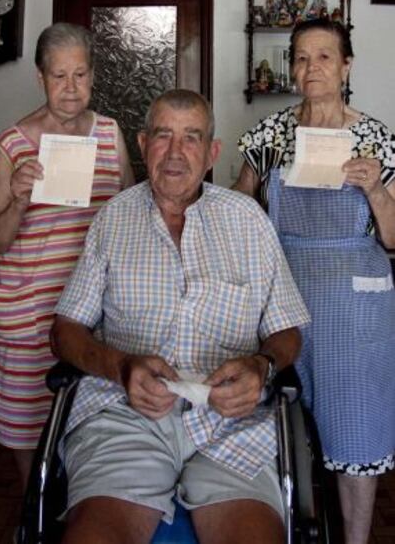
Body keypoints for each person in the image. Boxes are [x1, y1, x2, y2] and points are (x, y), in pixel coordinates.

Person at [51, 89, 309, 544]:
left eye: (191, 137)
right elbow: (65, 332)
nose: (175, 152)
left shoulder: (248, 220)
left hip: (233, 424)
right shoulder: (113, 220)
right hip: (125, 415)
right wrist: (120, 367)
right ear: (143, 142)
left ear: (212, 152)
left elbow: (287, 330)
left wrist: (261, 366)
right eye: (163, 135)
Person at [234, 17, 395, 544]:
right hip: (283, 295)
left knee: (355, 425)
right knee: (277, 420)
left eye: (324, 56)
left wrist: (376, 191)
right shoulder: (270, 134)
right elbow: (240, 210)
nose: (311, 68)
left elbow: (393, 237)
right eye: (301, 57)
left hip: (355, 307)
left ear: (346, 64)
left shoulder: (374, 137)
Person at [0, 22, 134, 490]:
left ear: (93, 77)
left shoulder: (109, 134)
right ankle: (36, 508)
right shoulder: (14, 143)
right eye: (59, 75)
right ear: (40, 79)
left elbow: (130, 213)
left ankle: (80, 507)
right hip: (31, 312)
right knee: (27, 423)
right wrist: (20, 199)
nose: (71, 88)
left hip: (94, 311)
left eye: (81, 75)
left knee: (91, 416)